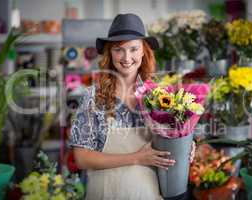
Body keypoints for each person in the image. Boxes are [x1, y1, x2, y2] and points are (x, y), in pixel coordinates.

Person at [69, 13, 193, 200]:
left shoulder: (160, 95)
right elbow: (82, 158)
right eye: (119, 49)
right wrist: (136, 158)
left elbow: (172, 140)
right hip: (105, 194)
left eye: (134, 49)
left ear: (144, 51)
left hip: (148, 193)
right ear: (110, 53)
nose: (127, 57)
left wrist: (185, 147)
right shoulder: (93, 96)